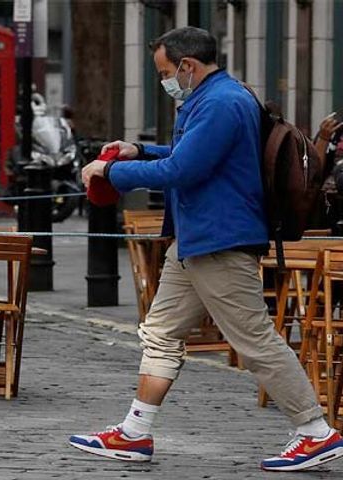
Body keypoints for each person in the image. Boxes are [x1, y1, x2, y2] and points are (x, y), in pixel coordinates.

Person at [70, 26, 343, 472]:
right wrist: (135, 150)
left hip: (220, 239)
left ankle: (316, 432)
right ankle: (135, 433)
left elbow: (183, 168)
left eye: (165, 72)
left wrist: (111, 173)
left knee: (254, 339)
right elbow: (188, 152)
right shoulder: (217, 98)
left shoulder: (220, 103)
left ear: (187, 65)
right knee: (160, 331)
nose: (165, 81)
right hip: (198, 239)